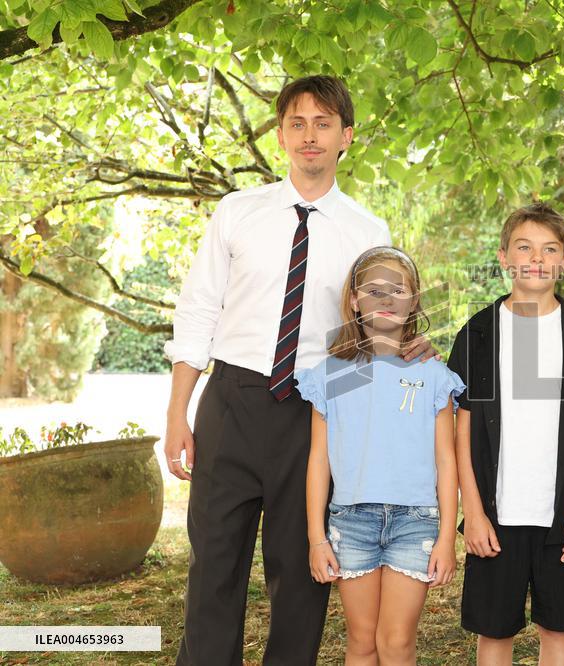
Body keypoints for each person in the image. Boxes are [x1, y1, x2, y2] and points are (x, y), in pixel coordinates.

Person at [163, 75, 431, 665]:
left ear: (346, 138)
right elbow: (199, 309)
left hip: (312, 416)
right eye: (297, 123)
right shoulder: (238, 212)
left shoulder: (368, 231)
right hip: (229, 402)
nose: (310, 135)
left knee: (302, 572)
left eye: (324, 123)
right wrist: (178, 413)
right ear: (282, 133)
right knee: (214, 562)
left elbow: (379, 323)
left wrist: (413, 350)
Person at [447, 203, 564, 666]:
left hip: (562, 515)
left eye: (549, 249)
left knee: (558, 627)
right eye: (524, 247)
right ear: (504, 257)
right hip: (496, 515)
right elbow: (462, 432)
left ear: (563, 260)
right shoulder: (477, 334)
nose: (536, 259)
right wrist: (474, 511)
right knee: (494, 629)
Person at [297, 246, 464, 664]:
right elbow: (319, 461)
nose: (386, 300)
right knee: (362, 643)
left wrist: (446, 538)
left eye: (397, 291)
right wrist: (317, 538)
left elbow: (448, 462)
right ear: (354, 300)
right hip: (351, 523)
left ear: (413, 301)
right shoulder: (330, 375)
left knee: (396, 644)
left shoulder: (434, 375)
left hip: (415, 523)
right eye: (373, 291)